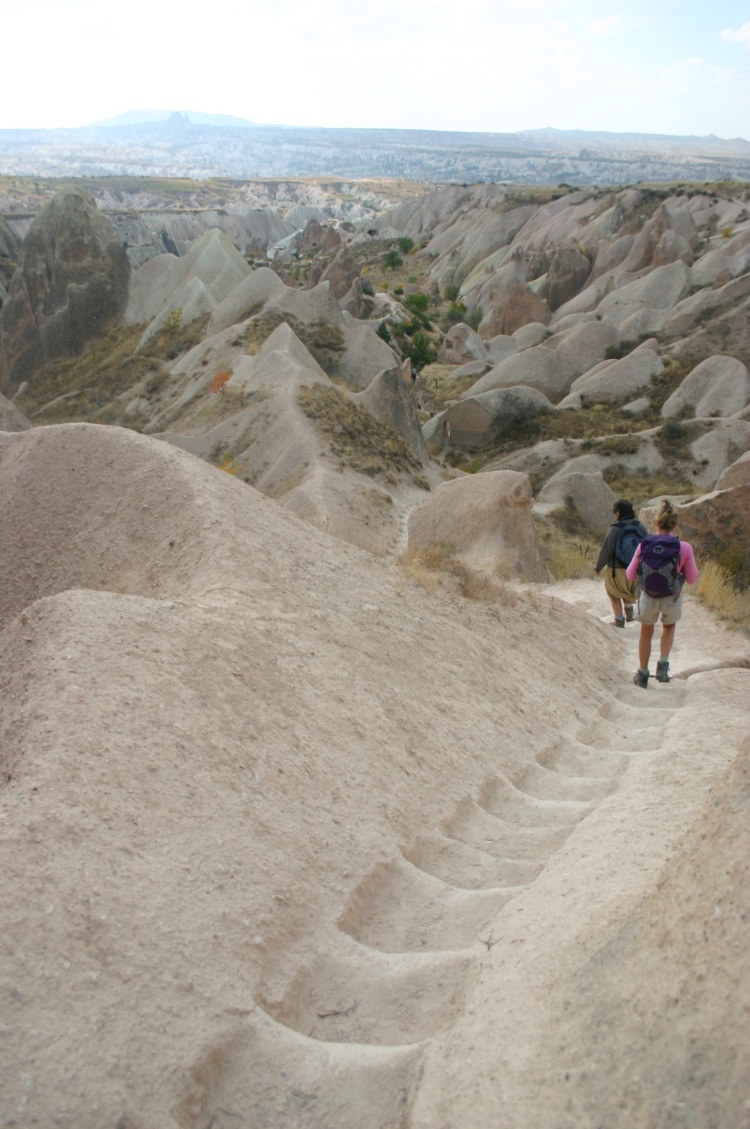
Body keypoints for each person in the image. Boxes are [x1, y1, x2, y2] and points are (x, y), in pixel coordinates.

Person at [626, 499, 699, 688]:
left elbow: (630, 574)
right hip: (671, 597)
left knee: (646, 631)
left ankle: (642, 674)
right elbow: (692, 579)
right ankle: (663, 667)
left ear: (656, 523)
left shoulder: (645, 544)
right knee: (668, 627)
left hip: (648, 596)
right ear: (674, 524)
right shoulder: (684, 548)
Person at [594, 499, 647, 627]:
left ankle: (619, 620)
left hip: (616, 569)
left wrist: (598, 567)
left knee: (614, 592)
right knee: (628, 590)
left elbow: (607, 549)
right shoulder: (639, 525)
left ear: (618, 513)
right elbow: (647, 544)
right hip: (635, 567)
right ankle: (630, 613)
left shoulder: (615, 529)